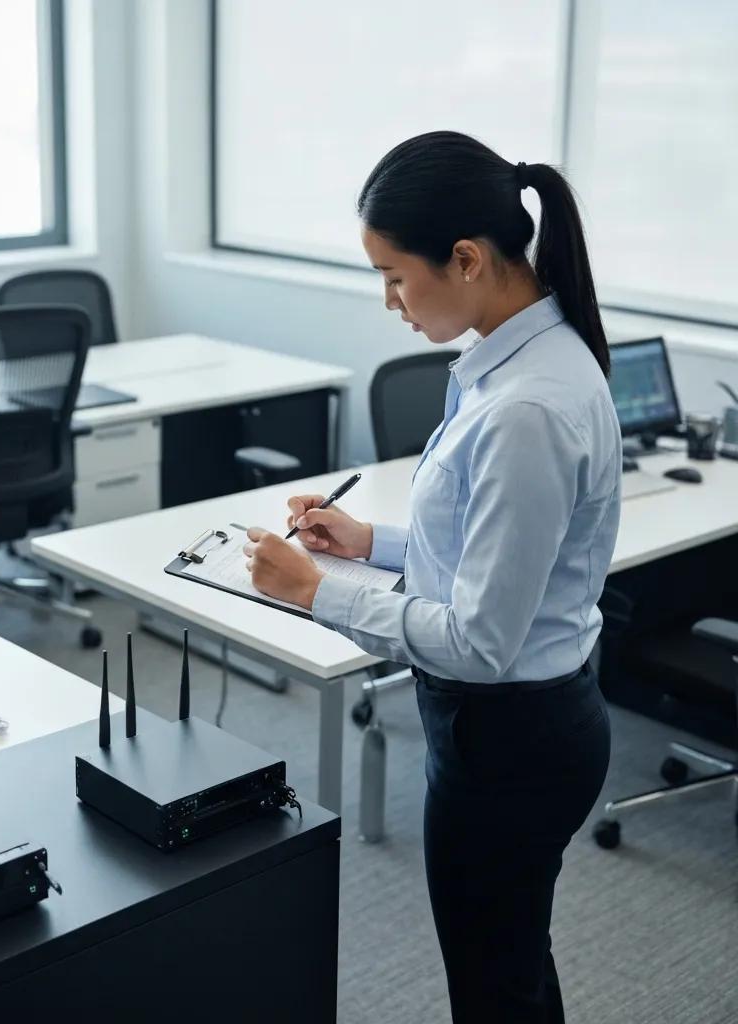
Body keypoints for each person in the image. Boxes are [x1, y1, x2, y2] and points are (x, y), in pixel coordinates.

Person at [243, 131, 620, 1024]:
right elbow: (482, 555)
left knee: (494, 985)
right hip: (523, 731)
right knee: (513, 963)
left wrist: (312, 592)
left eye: (394, 276)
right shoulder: (514, 363)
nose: (389, 302)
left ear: (466, 258)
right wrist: (367, 540)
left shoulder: (528, 407)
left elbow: (481, 641)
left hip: (509, 740)